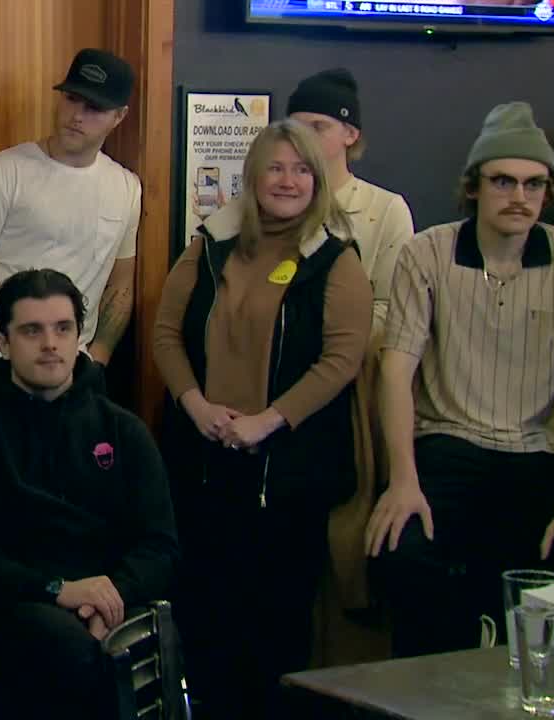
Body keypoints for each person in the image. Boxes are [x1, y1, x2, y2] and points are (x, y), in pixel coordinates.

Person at [153, 119, 372, 719]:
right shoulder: (211, 242)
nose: (288, 180)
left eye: (302, 170)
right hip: (201, 467)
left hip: (285, 480)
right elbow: (168, 334)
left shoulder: (334, 258)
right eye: (275, 167)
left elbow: (342, 360)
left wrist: (268, 421)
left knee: (272, 629)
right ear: (252, 176)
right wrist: (194, 405)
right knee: (204, 617)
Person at [366, 102, 554, 658]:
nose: (520, 196)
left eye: (534, 184)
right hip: (449, 444)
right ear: (474, 186)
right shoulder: (427, 253)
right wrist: (402, 479)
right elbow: (396, 368)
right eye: (503, 180)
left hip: (542, 451)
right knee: (401, 554)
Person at [0, 269, 179, 720]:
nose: (50, 343)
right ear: (3, 343)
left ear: (79, 336)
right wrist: (56, 590)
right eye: (32, 330)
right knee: (65, 648)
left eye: (63, 329)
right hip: (15, 604)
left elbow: (159, 544)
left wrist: (112, 596)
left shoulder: (123, 430)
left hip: (113, 600)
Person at [0, 48, 142, 421]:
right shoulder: (3, 173)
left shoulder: (126, 188)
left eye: (94, 108)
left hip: (71, 370)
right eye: (72, 99)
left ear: (119, 117)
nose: (77, 116)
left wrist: (98, 359)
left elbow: (121, 286)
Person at [287, 67, 414, 333]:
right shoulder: (272, 203)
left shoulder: (386, 210)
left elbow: (391, 307)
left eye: (317, 127)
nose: (304, 139)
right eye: (295, 129)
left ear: (351, 134)